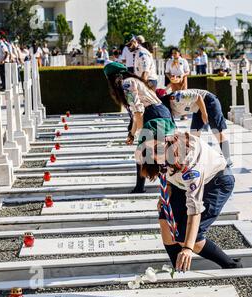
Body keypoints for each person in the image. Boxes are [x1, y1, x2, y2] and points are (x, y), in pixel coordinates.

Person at [136, 130, 242, 272]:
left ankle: (232, 266)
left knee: (187, 237)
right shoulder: (162, 151)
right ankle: (179, 269)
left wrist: (187, 248)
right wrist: (166, 191)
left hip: (216, 181)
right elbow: (165, 173)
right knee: (165, 221)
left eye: (156, 150)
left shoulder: (190, 163)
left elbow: (194, 209)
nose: (153, 155)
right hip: (180, 184)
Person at [104, 61, 175, 194]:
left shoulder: (126, 84)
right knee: (156, 152)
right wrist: (132, 134)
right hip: (159, 114)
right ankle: (164, 185)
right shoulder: (133, 81)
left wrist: (141, 134)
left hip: (154, 117)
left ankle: (157, 186)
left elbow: (138, 111)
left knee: (147, 153)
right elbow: (137, 114)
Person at [160, 88, 232, 165]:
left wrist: (204, 114)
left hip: (208, 100)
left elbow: (198, 97)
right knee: (194, 136)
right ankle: (198, 160)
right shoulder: (168, 111)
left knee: (217, 132)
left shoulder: (176, 97)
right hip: (197, 108)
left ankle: (227, 159)